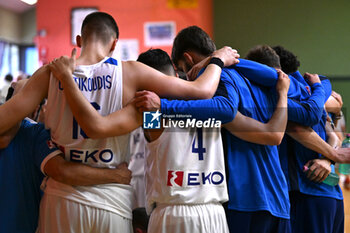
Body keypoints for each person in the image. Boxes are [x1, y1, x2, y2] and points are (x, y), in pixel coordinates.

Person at [0, 12, 239, 233]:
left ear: (79, 40)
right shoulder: (132, 73)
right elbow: (202, 91)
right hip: (114, 201)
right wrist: (217, 59)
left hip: (64, 198)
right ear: (115, 44)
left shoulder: (51, 72)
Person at [0, 79, 132, 233]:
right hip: (115, 201)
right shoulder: (143, 106)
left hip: (80, 203)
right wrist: (117, 175)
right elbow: (61, 170)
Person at [247, 44, 344, 233]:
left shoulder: (276, 97)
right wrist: (328, 159)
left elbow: (299, 126)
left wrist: (330, 157)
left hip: (304, 193)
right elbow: (334, 133)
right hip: (330, 194)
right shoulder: (321, 86)